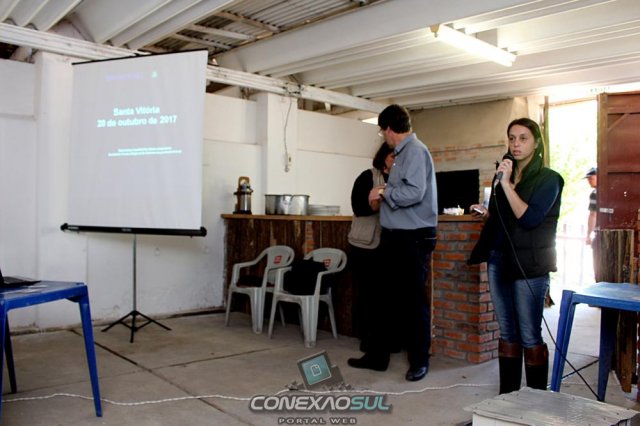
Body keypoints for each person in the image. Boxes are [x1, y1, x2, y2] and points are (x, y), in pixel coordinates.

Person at [468, 117, 564, 394]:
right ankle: (507, 397)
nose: (516, 144)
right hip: (499, 260)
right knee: (507, 332)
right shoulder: (504, 178)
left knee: (529, 334)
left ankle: (536, 400)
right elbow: (505, 217)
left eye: (523, 138)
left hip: (529, 265)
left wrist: (507, 184)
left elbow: (529, 218)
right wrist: (488, 214)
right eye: (512, 138)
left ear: (536, 143)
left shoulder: (549, 179)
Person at [348, 104, 438, 382]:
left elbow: (415, 192)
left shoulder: (415, 151)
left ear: (388, 129)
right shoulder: (400, 154)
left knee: (413, 302)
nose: (383, 137)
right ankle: (377, 357)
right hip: (395, 235)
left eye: (382, 132)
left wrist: (384, 191)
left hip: (412, 236)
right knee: (383, 299)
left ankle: (419, 361)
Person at [349, 142, 394, 352]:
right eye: (393, 156)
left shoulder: (401, 179)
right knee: (367, 294)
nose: (397, 160)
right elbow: (358, 207)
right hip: (364, 245)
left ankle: (388, 339)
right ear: (384, 156)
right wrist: (376, 202)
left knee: (388, 295)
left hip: (390, 246)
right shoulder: (368, 176)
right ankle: (367, 338)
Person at [584, 167, 599, 280]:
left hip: (599, 235)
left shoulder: (595, 194)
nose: (589, 181)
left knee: (598, 266)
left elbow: (593, 215)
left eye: (591, 178)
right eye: (588, 179)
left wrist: (588, 235)